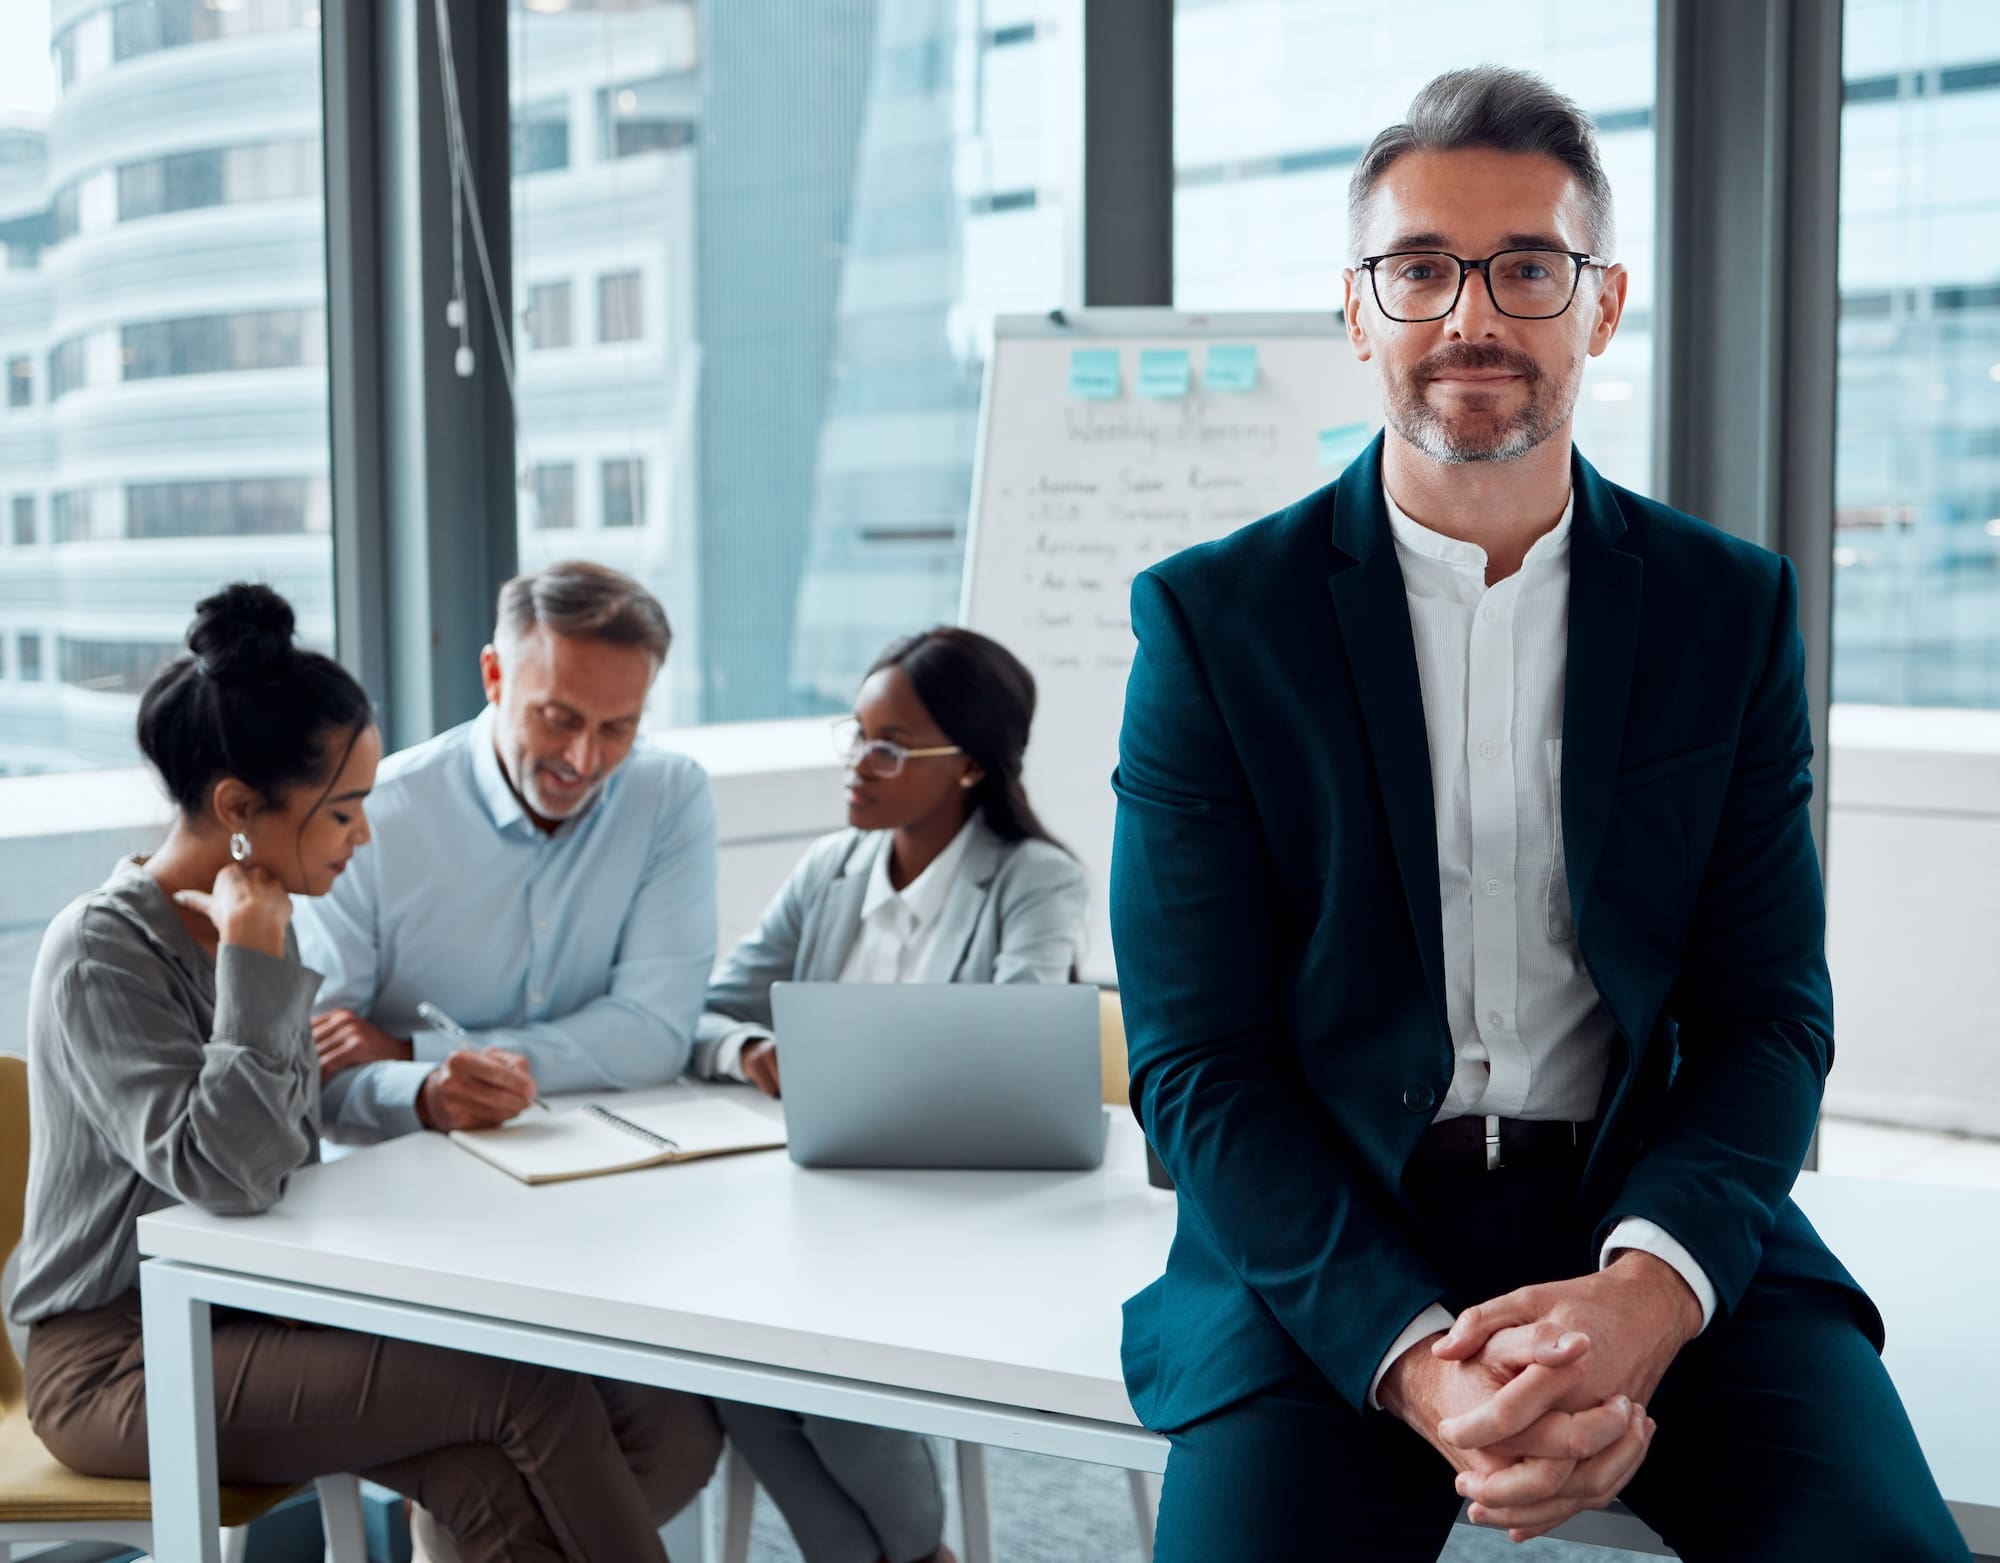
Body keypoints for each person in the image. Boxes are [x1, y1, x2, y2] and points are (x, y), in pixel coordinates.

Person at [1109, 67, 1969, 1562]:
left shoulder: (1726, 609)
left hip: (1650, 1214)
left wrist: (1644, 1297)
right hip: (1333, 1244)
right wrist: (1421, 1356)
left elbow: (1770, 1015)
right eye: (1422, 268)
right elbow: (1198, 1062)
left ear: (1603, 303)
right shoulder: (1214, 625)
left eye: (1527, 267)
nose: (1472, 317)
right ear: (1362, 309)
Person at [9, 583, 717, 1563]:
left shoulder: (251, 922)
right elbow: (236, 1178)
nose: (365, 835)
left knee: (493, 1470)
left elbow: (285, 1145)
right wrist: (257, 963)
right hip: (122, 1361)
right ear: (238, 810)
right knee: (526, 1390)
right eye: (343, 810)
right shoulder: (102, 951)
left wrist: (261, 956)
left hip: (264, 1312)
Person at [291, 559, 723, 1560]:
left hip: (603, 1204)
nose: (584, 756)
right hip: (411, 1221)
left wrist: (419, 1050)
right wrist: (424, 1095)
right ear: (492, 676)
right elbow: (313, 1070)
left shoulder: (668, 796)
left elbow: (653, 1031)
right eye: (557, 716)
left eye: (617, 727)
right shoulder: (377, 814)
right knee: (494, 1440)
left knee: (681, 1430)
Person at [691, 625, 1087, 1563]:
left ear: (969, 768)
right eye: (856, 735)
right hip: (822, 1208)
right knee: (734, 1364)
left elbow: (1020, 1039)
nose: (858, 765)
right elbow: (704, 1012)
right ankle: (916, 1559)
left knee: (823, 1366)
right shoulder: (826, 870)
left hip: (967, 1218)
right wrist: (751, 1048)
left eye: (890, 744)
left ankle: (909, 1551)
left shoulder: (1035, 879)